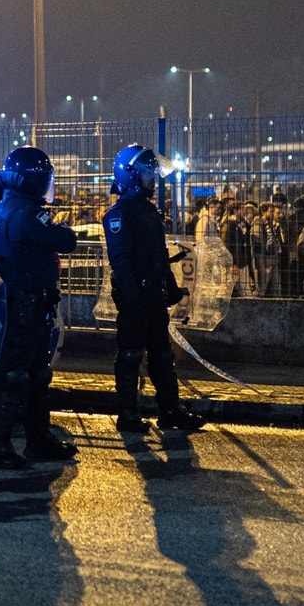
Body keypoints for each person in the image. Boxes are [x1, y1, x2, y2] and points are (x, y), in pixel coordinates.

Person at [0, 146, 78, 468]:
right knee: (16, 376)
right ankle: (0, 446)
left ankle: (39, 440)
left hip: (17, 305)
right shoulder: (26, 213)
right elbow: (66, 241)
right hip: (26, 306)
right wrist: (62, 229)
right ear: (34, 180)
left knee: (36, 375)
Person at [103, 144, 203, 434]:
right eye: (148, 173)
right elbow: (120, 261)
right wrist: (133, 296)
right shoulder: (118, 214)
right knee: (131, 355)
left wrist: (170, 289)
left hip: (153, 296)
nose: (153, 179)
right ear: (131, 175)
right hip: (135, 299)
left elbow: (159, 256)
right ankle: (128, 415)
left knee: (162, 355)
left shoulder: (148, 211)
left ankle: (170, 411)